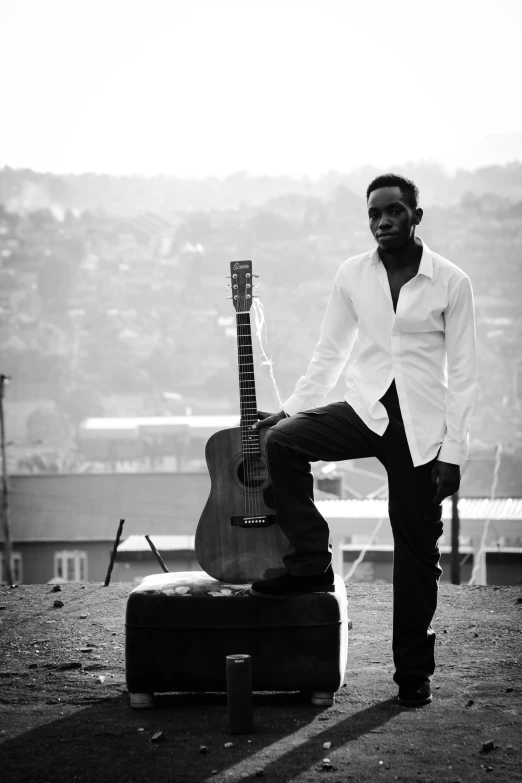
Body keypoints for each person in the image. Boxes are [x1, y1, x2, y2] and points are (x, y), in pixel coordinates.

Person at [249, 173, 477, 707]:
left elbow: (464, 374)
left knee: (416, 555)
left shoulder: (451, 282)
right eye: (374, 214)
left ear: (416, 215)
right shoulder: (353, 275)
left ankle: (412, 675)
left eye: (394, 211)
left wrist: (454, 453)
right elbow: (329, 353)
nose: (382, 221)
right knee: (282, 442)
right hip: (364, 409)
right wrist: (291, 409)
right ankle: (309, 563)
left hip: (422, 431)